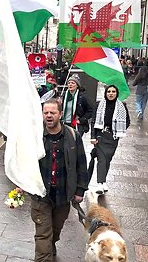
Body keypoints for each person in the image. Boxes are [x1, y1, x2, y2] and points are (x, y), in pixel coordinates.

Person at [32, 98, 88, 261]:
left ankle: (51, 243)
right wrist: (21, 183)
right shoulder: (35, 135)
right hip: (40, 195)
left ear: (60, 114)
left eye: (52, 113)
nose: (48, 116)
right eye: (45, 113)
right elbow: (24, 161)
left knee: (55, 231)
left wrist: (80, 190)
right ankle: (44, 255)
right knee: (43, 234)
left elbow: (81, 164)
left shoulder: (72, 135)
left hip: (63, 195)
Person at [90, 85, 130, 194]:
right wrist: (93, 136)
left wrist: (118, 130)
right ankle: (99, 183)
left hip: (113, 138)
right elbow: (93, 121)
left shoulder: (122, 106)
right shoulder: (99, 105)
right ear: (105, 93)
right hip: (101, 135)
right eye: (109, 91)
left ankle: (103, 181)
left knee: (107, 160)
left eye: (113, 91)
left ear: (116, 93)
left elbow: (127, 121)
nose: (111, 93)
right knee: (101, 160)